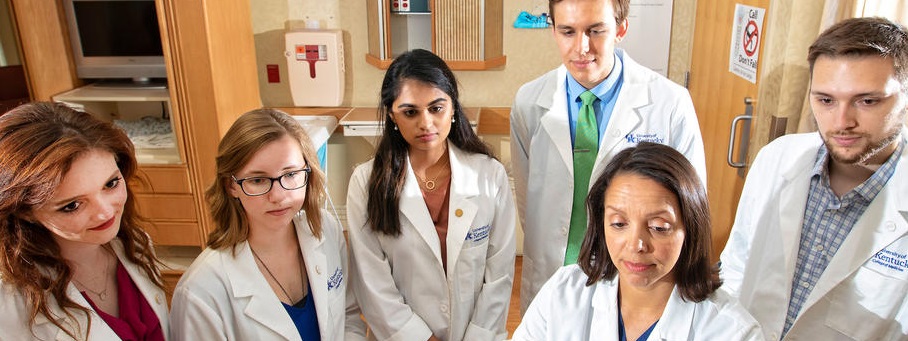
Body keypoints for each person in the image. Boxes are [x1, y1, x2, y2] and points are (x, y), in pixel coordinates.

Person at [509, 0, 707, 314]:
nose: (581, 47)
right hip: (550, 270)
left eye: (595, 31)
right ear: (553, 30)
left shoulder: (669, 104)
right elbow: (527, 198)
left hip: (634, 274)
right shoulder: (529, 102)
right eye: (568, 31)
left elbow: (691, 207)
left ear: (621, 28)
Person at [720, 17, 908, 340]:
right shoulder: (777, 159)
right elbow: (736, 264)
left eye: (867, 101)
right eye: (825, 100)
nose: (841, 121)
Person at [346, 49, 516, 341]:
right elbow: (371, 281)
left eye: (436, 108)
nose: (425, 123)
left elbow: (499, 275)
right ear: (392, 114)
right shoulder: (366, 182)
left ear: (453, 108)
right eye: (410, 112)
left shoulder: (489, 175)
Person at [513, 142, 761, 340]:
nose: (636, 245)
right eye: (619, 224)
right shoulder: (563, 294)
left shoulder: (733, 332)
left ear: (690, 228)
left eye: (658, 227)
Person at [169, 109, 367, 340]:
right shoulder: (201, 291)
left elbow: (349, 317)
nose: (278, 195)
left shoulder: (326, 229)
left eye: (290, 174)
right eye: (257, 180)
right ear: (231, 186)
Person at [0, 102, 169, 340]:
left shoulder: (135, 245)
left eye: (111, 184)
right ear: (24, 212)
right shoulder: (8, 302)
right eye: (71, 206)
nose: (105, 213)